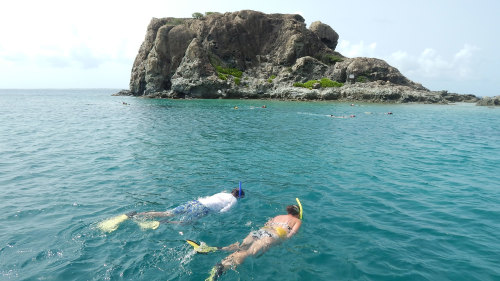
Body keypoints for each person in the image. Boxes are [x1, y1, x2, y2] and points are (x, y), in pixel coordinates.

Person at [195, 203, 302, 281]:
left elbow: (267, 224)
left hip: (260, 231)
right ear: (297, 214)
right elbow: (291, 234)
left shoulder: (278, 216)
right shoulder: (298, 220)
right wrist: (280, 241)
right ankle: (220, 271)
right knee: (247, 253)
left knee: (241, 247)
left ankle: (214, 249)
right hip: (272, 236)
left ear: (288, 211)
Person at [133, 188, 245, 222]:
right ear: (239, 196)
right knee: (186, 223)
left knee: (168, 213)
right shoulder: (234, 200)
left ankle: (139, 214)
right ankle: (162, 222)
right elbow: (223, 211)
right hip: (204, 208)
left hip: (196, 202)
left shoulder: (222, 193)